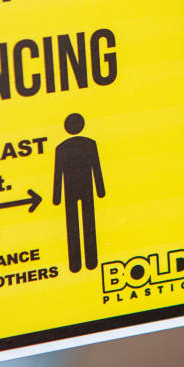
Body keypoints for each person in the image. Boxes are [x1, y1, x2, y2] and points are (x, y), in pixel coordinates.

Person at [53, 113, 105, 273]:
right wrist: (100, 189)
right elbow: (96, 168)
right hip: (85, 188)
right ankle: (91, 261)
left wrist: (57, 197)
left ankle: (76, 265)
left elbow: (58, 174)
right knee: (88, 224)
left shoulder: (61, 147)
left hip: (71, 190)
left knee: (73, 226)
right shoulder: (89, 144)